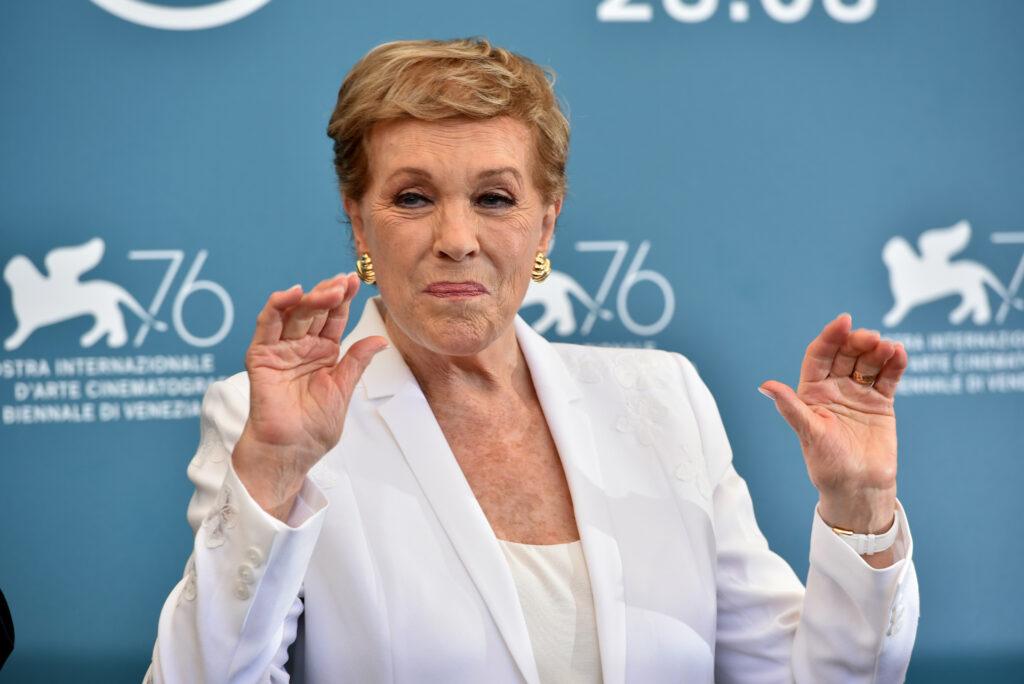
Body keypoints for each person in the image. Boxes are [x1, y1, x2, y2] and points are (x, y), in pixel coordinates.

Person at [144, 37, 918, 683]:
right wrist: (275, 471)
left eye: (495, 198)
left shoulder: (663, 399)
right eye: (412, 198)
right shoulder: (267, 421)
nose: (456, 237)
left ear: (546, 225)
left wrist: (861, 509)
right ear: (359, 223)